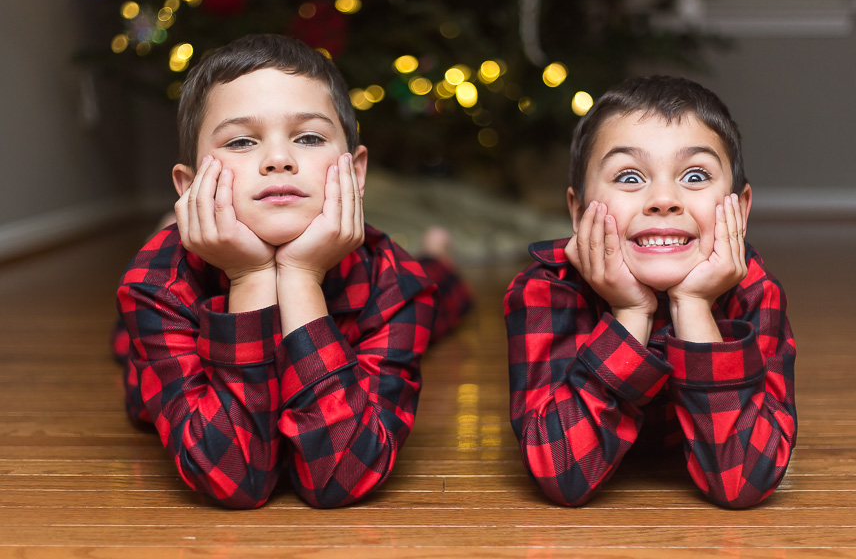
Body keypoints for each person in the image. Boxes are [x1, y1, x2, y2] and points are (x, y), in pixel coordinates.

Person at [115, 34, 469, 509]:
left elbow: (342, 475)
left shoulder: (396, 281)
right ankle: (175, 227)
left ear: (356, 173)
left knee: (440, 293)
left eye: (308, 138)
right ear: (190, 186)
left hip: (386, 278)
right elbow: (234, 479)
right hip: (170, 314)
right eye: (242, 141)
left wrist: (300, 275)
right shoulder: (157, 283)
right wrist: (250, 277)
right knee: (126, 345)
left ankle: (438, 256)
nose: (279, 160)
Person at [504, 76, 796, 509]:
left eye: (694, 175)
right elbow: (562, 473)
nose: (663, 199)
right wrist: (630, 313)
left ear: (741, 206)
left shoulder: (753, 292)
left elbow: (743, 481)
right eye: (628, 176)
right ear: (579, 210)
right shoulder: (545, 290)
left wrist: (693, 306)